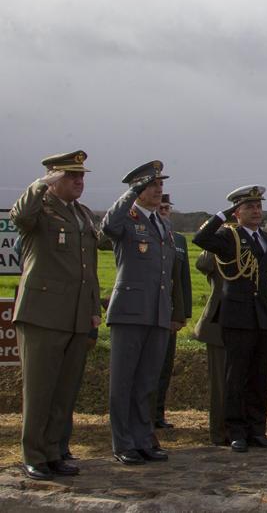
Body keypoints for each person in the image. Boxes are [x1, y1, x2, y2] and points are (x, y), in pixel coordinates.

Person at [9, 151, 101, 480]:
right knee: (40, 391)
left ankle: (52, 451)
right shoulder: (39, 210)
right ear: (52, 179)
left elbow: (88, 268)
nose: (79, 181)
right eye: (71, 176)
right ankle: (33, 454)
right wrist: (39, 185)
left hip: (76, 314)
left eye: (81, 177)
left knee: (64, 391)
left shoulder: (83, 214)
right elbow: (20, 217)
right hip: (43, 314)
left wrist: (93, 309)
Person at [193, 185, 267, 453]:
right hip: (238, 315)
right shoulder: (228, 236)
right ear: (237, 212)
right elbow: (201, 238)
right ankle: (236, 431)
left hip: (262, 315)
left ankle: (257, 429)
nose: (255, 211)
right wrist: (222, 216)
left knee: (259, 376)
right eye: (248, 207)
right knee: (236, 377)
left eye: (258, 206)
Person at [101, 160, 176, 466]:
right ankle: (123, 442)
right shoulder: (127, 219)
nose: (159, 190)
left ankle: (144, 438)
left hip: (157, 312)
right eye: (152, 185)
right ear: (138, 189)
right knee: (124, 381)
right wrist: (129, 193)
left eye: (160, 185)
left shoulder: (162, 223)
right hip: (130, 312)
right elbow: (107, 227)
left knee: (147, 381)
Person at [151, 193, 191, 430]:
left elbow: (183, 279)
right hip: (149, 310)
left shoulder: (179, 240)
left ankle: (158, 414)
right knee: (149, 367)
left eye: (167, 208)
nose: (164, 211)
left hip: (170, 312)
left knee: (165, 367)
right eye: (160, 207)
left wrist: (182, 314)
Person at [190, 249, 229, 446]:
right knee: (220, 383)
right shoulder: (217, 248)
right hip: (219, 321)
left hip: (247, 321)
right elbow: (203, 264)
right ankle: (220, 432)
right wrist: (213, 235)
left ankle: (240, 428)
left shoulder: (256, 242)